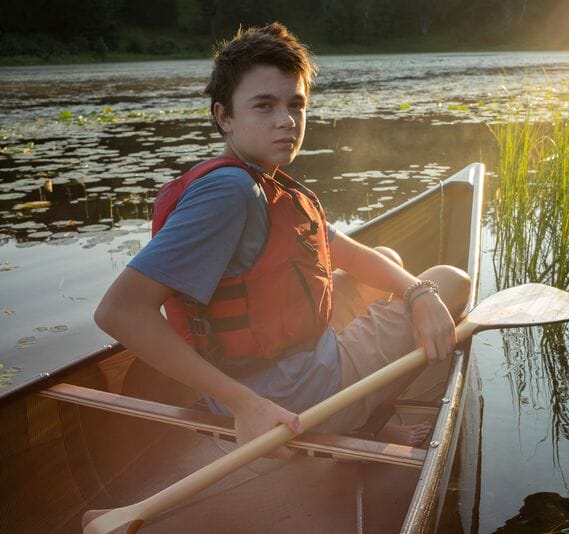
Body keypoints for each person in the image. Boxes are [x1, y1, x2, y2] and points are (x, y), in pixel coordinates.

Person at [94, 22, 470, 459]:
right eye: (264, 106)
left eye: (296, 105)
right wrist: (245, 404)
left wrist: (417, 295)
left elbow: (351, 254)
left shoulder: (256, 181)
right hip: (286, 402)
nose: (286, 121)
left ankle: (365, 415)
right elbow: (119, 311)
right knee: (453, 280)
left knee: (389, 261)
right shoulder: (231, 193)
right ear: (224, 117)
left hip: (274, 375)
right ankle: (359, 424)